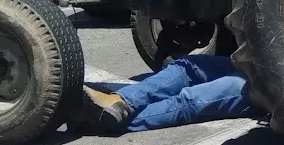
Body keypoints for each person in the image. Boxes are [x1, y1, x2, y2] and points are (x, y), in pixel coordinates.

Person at [72, 54, 263, 134]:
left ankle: (99, 120)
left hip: (268, 86)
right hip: (256, 62)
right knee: (188, 65)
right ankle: (120, 100)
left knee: (189, 100)